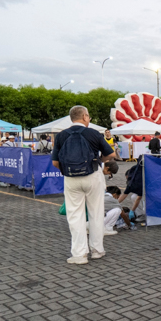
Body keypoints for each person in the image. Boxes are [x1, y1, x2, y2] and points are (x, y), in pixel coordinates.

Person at [52, 105, 115, 264]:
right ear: (85, 117)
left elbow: (55, 162)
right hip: (92, 175)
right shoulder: (93, 134)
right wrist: (99, 161)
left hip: (71, 178)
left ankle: (79, 255)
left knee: (75, 216)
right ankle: (97, 250)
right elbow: (111, 154)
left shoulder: (61, 136)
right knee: (96, 213)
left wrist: (66, 171)